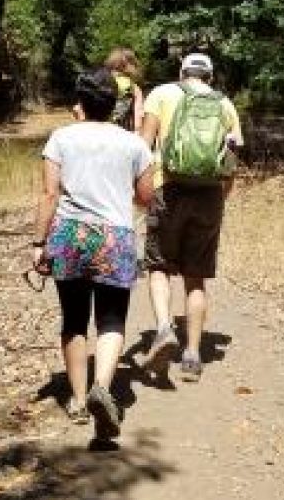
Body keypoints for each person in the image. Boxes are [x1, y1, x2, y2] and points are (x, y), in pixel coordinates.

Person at [32, 68, 154, 439]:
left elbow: (50, 196)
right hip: (115, 237)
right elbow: (146, 198)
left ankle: (80, 400)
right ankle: (103, 385)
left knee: (73, 320)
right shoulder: (134, 144)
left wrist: (38, 243)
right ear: (114, 104)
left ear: (80, 101)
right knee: (112, 320)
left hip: (69, 234)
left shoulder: (61, 137)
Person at [139, 52, 243, 382]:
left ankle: (164, 328)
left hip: (166, 189)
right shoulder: (225, 105)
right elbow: (231, 160)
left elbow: (143, 148)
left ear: (181, 72)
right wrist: (220, 197)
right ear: (209, 77)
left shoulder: (161, 94)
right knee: (195, 277)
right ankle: (193, 355)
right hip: (209, 195)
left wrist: (140, 192)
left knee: (158, 266)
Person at [103, 47, 144, 132]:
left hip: (102, 129)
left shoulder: (102, 84)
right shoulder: (134, 88)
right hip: (124, 133)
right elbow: (138, 119)